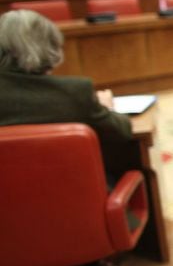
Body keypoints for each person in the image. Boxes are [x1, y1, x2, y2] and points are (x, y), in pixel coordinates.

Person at [0, 10, 133, 179]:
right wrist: (107, 108)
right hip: (75, 195)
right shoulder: (75, 92)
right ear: (50, 47)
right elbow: (122, 131)